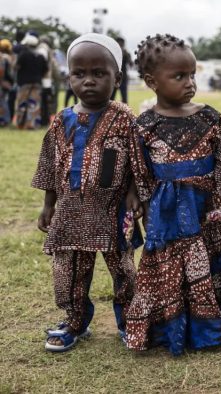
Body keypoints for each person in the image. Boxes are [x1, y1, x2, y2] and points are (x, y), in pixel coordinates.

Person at [125, 34, 221, 356]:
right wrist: (139, 196)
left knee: (212, 259)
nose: (190, 83)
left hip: (207, 204)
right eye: (179, 76)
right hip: (167, 210)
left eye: (192, 75)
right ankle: (171, 325)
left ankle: (212, 324)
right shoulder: (143, 126)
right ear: (152, 81)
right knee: (171, 265)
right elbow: (138, 166)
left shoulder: (209, 117)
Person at [31, 33, 143, 352]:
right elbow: (50, 165)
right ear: (69, 77)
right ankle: (75, 321)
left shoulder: (124, 119)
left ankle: (130, 321)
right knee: (71, 272)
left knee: (123, 269)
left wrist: (135, 194)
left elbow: (137, 161)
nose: (88, 81)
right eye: (79, 74)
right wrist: (47, 205)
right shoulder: (62, 121)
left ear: (117, 77)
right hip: (70, 211)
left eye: (99, 73)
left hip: (113, 210)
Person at [14, 33, 48, 129]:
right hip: (37, 82)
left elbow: (16, 67)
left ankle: (20, 123)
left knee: (22, 104)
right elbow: (45, 69)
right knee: (34, 104)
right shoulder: (41, 56)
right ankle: (32, 124)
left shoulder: (24, 54)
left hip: (24, 82)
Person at [110, 37, 131, 103]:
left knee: (124, 97)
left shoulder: (126, 53)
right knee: (111, 97)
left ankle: (125, 112)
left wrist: (126, 55)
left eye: (122, 43)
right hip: (114, 77)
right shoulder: (112, 53)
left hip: (123, 78)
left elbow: (131, 64)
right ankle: (109, 111)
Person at [0, 39, 14, 126]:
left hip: (3, 82)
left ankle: (6, 120)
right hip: (7, 82)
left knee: (3, 101)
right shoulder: (9, 57)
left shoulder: (3, 57)